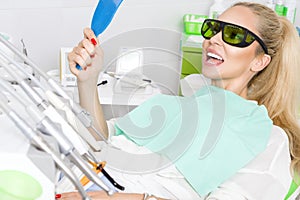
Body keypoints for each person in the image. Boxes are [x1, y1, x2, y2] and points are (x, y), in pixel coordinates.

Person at [61, 2, 300, 200]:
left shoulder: (266, 138)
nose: (214, 39)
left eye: (234, 35)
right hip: (79, 179)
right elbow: (100, 141)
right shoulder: (178, 106)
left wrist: (124, 198)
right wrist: (88, 80)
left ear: (260, 62)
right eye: (213, 28)